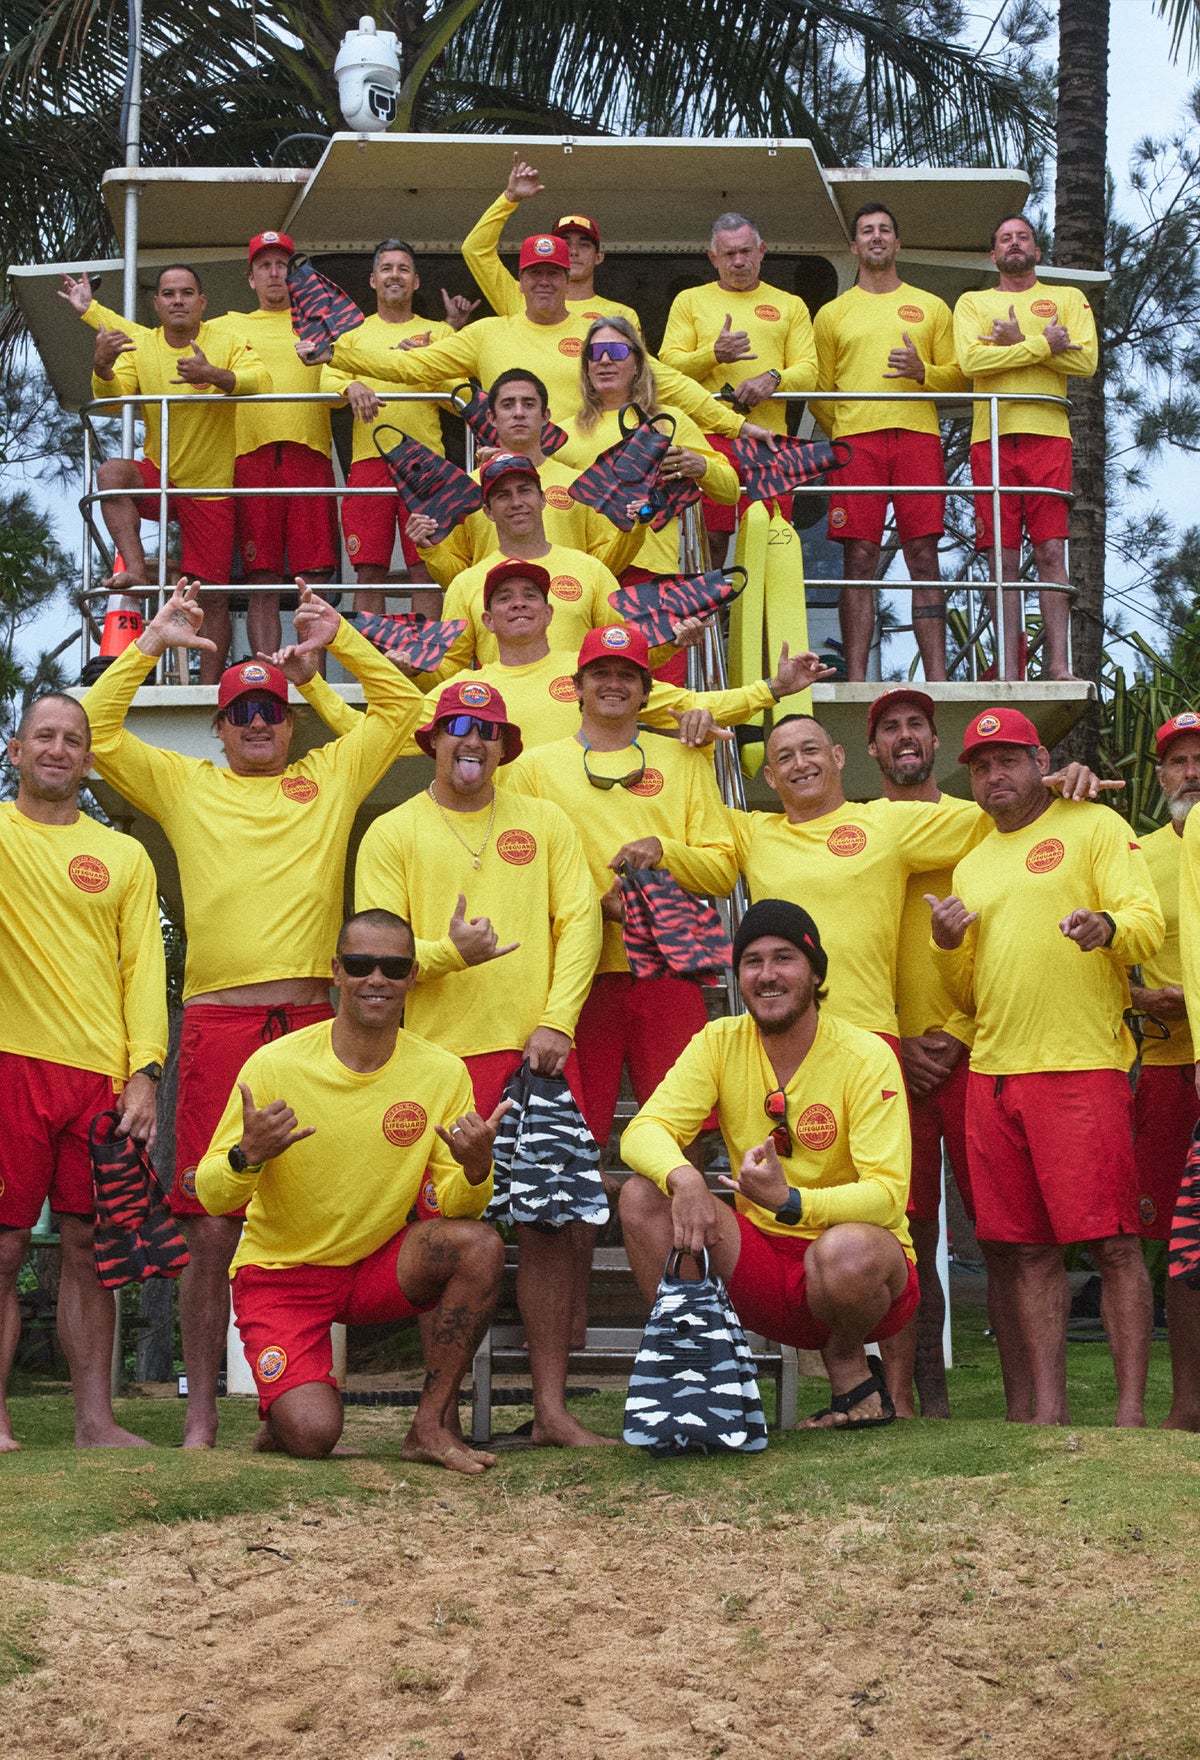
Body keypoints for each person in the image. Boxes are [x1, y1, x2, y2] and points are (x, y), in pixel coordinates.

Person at [80, 577, 426, 1447]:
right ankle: (201, 1411)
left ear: (291, 719)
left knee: (316, 1200)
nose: (260, 723)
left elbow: (405, 706)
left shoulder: (330, 775)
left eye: (272, 709)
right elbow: (93, 729)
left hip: (318, 1025)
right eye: (243, 713)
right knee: (208, 1220)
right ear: (219, 727)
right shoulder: (187, 785)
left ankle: (309, 1386)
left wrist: (334, 642)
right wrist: (150, 642)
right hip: (221, 1028)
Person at [354, 680, 609, 1448]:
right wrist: (447, 954)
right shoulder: (393, 832)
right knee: (445, 1230)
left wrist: (558, 1020)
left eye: (489, 729)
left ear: (506, 745)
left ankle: (553, 1410)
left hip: (534, 1054)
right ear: (433, 739)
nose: (473, 740)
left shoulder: (545, 821)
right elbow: (375, 956)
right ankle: (439, 1416)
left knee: (551, 1225)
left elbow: (582, 922)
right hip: (432, 1059)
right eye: (458, 726)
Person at [194, 908, 506, 1470]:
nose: (376, 979)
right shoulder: (274, 1064)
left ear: (413, 976)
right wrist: (249, 1156)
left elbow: (458, 1205)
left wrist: (478, 1169)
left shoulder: (442, 1071)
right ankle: (289, 1411)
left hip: (374, 1266)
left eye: (393, 967)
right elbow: (213, 1197)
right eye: (361, 965)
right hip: (283, 1274)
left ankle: (428, 1428)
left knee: (479, 1244)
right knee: (314, 1435)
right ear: (336, 971)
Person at [506, 626, 830, 1151]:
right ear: (576, 687)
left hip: (668, 971)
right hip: (573, 980)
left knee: (684, 1133)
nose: (614, 685)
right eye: (601, 674)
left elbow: (723, 872)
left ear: (646, 690)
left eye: (628, 675)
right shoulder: (529, 771)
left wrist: (664, 850)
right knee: (567, 1141)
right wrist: (594, 906)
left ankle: (680, 1230)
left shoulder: (683, 759)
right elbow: (517, 880)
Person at [929, 707, 1163, 1426]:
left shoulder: (1091, 825)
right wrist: (943, 945)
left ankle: (1127, 1419)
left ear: (1040, 762)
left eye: (1007, 760)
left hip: (1079, 1067)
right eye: (980, 766)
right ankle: (1047, 1419)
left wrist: (1107, 928)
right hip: (996, 1075)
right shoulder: (972, 863)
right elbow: (967, 990)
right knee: (1026, 1253)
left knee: (1114, 1246)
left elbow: (1146, 920)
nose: (994, 775)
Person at [620, 899, 917, 1429]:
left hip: (857, 1277)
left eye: (784, 958)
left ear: (815, 971)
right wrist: (683, 1176)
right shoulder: (720, 1041)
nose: (767, 975)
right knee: (641, 1196)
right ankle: (695, 1378)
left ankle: (850, 1368)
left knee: (845, 1249)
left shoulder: (867, 1054)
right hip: (758, 1264)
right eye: (752, 962)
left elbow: (888, 1195)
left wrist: (790, 1202)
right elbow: (644, 1131)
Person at [0, 693, 167, 1450]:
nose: (58, 749)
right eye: (44, 736)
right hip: (11, 1065)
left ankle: (95, 1421)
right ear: (16, 750)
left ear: (89, 760)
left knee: (90, 1249)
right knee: (2, 1248)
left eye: (73, 739)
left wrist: (146, 1073)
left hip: (100, 1077)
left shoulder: (125, 856)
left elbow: (143, 971)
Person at [329, 232, 760, 449]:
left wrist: (737, 426)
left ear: (566, 276)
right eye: (534, 273)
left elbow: (668, 382)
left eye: (553, 273)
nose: (544, 282)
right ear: (520, 281)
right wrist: (336, 353)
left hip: (585, 473)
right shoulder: (487, 333)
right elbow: (410, 367)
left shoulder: (598, 335)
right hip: (512, 478)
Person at [60, 265, 271, 681]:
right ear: (156, 304)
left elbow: (260, 380)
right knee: (110, 472)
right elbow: (112, 395)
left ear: (202, 302)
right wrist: (101, 367)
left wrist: (215, 376)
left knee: (209, 599)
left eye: (187, 292)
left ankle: (210, 690)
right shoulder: (142, 343)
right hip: (159, 475)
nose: (178, 300)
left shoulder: (225, 340)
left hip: (211, 488)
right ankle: (136, 570)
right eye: (169, 293)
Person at [865, 688, 978, 1419]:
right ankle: (920, 1401)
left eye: (917, 725)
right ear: (871, 750)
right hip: (889, 1056)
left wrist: (955, 1034)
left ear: (934, 741)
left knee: (999, 1231)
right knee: (909, 1233)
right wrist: (899, 1040)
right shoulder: (858, 829)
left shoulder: (977, 822)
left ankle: (1035, 1406)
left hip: (974, 1048)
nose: (905, 736)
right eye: (890, 728)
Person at [812, 204, 967, 681]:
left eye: (884, 230)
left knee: (924, 554)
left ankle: (937, 677)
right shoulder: (833, 313)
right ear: (855, 246)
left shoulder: (931, 306)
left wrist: (925, 373)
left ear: (898, 244)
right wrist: (846, 427)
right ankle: (857, 676)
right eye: (866, 231)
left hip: (918, 439)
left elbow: (960, 380)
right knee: (857, 556)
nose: (876, 237)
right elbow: (820, 391)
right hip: (857, 441)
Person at [953, 214, 1098, 680]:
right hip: (990, 437)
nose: (1014, 244)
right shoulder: (973, 302)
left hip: (1049, 435)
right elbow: (972, 360)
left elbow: (1088, 361)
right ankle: (1011, 669)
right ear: (992, 254)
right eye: (1004, 239)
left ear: (1037, 249)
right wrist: (1039, 344)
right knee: (1002, 557)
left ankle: (1058, 667)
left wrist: (1015, 344)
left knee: (1053, 553)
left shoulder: (1067, 298)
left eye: (1023, 237)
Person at [318, 238, 466, 619]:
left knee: (426, 566)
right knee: (368, 569)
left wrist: (422, 366)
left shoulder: (441, 335)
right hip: (369, 461)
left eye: (403, 269)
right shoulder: (352, 336)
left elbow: (461, 397)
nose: (394, 276)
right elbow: (325, 386)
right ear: (372, 280)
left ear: (416, 282)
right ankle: (376, 667)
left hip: (426, 462)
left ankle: (427, 663)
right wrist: (351, 385)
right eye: (386, 269)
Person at [659, 212, 817, 563]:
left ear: (762, 250)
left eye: (746, 251)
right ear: (713, 258)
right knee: (709, 538)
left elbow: (809, 372)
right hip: (708, 437)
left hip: (770, 438)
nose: (740, 261)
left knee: (768, 542)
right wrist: (713, 354)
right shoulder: (690, 300)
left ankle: (758, 620)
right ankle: (710, 618)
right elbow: (666, 367)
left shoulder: (790, 304)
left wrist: (773, 379)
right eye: (729, 254)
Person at [556, 317, 741, 601]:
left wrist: (700, 466)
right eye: (594, 353)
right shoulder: (562, 434)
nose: (604, 361)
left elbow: (729, 492)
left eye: (616, 352)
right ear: (586, 366)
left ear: (639, 364)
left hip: (651, 574)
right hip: (581, 577)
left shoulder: (671, 421)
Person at [414, 453, 638, 679]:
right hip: (500, 712)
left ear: (542, 499)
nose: (516, 502)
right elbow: (451, 668)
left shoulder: (592, 570)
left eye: (524, 490)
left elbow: (625, 648)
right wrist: (413, 670)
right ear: (488, 512)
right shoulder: (466, 584)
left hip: (577, 711)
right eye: (503, 495)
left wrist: (671, 642)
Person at [222, 231, 337, 657]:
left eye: (281, 265)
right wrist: (94, 312)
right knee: (261, 579)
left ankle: (315, 678)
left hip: (310, 454)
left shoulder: (321, 326)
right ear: (250, 278)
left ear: (293, 274)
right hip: (252, 457)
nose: (274, 273)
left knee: (316, 583)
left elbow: (376, 352)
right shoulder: (229, 325)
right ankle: (264, 672)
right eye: (264, 266)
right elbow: (160, 336)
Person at [416, 369, 644, 581]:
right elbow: (458, 579)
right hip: (498, 617)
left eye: (528, 404)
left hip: (569, 613)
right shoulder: (467, 488)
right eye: (508, 405)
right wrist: (429, 548)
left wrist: (634, 532)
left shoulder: (579, 483)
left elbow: (602, 567)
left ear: (545, 416)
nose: (518, 413)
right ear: (492, 417)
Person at [1140, 714, 1200, 1429]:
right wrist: (1142, 996)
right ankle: (1187, 1405)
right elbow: (1104, 952)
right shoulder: (1138, 851)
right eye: (1179, 762)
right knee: (1180, 1244)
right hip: (1165, 1060)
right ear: (1160, 778)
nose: (1191, 771)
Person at [461, 153, 642, 329]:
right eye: (565, 245)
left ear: (599, 257)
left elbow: (638, 361)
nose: (574, 251)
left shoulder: (621, 315)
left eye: (584, 244)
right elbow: (475, 250)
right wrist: (509, 198)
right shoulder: (523, 296)